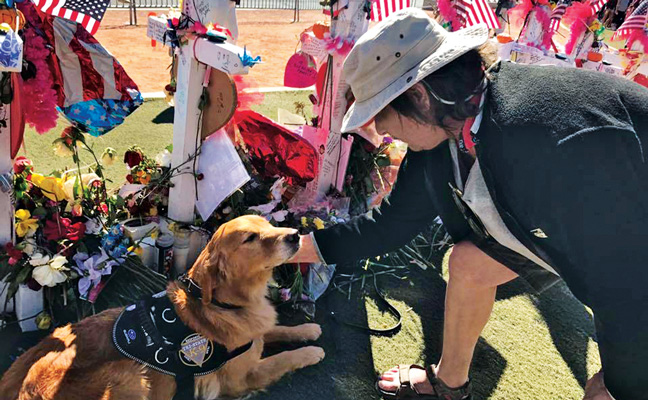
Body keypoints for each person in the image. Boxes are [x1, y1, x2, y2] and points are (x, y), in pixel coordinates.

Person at [288, 8, 648, 400]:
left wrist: (621, 379)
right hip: (613, 249)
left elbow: (625, 280)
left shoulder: (547, 139)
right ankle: (449, 383)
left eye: (380, 112)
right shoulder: (442, 135)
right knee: (470, 262)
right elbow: (391, 223)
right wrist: (293, 248)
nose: (377, 129)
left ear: (419, 96)